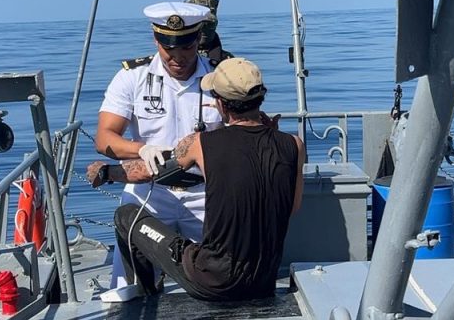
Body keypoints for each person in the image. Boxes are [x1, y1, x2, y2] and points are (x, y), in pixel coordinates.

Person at [88, 58, 306, 301]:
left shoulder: (199, 143)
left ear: (220, 104)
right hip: (262, 281)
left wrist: (106, 172)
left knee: (126, 215)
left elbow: (149, 171)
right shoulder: (294, 145)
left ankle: (145, 296)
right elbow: (292, 206)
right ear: (260, 98)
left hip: (212, 281)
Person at [96, 1, 224, 282]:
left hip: (206, 193)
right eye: (168, 49)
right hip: (151, 192)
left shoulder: (219, 78)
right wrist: (141, 149)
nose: (177, 58)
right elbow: (104, 138)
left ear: (198, 39)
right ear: (156, 40)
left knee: (218, 276)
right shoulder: (132, 77)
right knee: (127, 281)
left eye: (186, 48)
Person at [186, 0, 234, 65]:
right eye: (198, 24)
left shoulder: (228, 61)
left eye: (210, 24)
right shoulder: (175, 58)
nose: (204, 29)